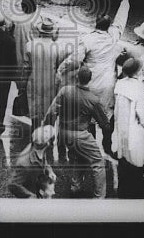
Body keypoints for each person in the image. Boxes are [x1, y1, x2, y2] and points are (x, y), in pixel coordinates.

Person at [44, 65, 112, 199]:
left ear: (77, 77)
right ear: (90, 79)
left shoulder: (65, 91)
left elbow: (52, 112)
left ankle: (76, 186)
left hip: (63, 132)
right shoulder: (93, 99)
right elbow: (105, 124)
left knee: (75, 158)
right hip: (80, 134)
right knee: (98, 162)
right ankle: (100, 197)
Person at [112, 57, 144, 198]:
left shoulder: (120, 84)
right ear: (137, 72)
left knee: (123, 165)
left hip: (121, 132)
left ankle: (123, 192)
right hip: (135, 135)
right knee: (136, 168)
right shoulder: (140, 90)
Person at [8, 125, 57, 198]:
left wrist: (49, 170)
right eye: (52, 139)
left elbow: (43, 160)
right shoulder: (24, 163)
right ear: (47, 142)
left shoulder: (38, 147)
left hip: (37, 188)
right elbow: (13, 185)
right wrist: (30, 196)